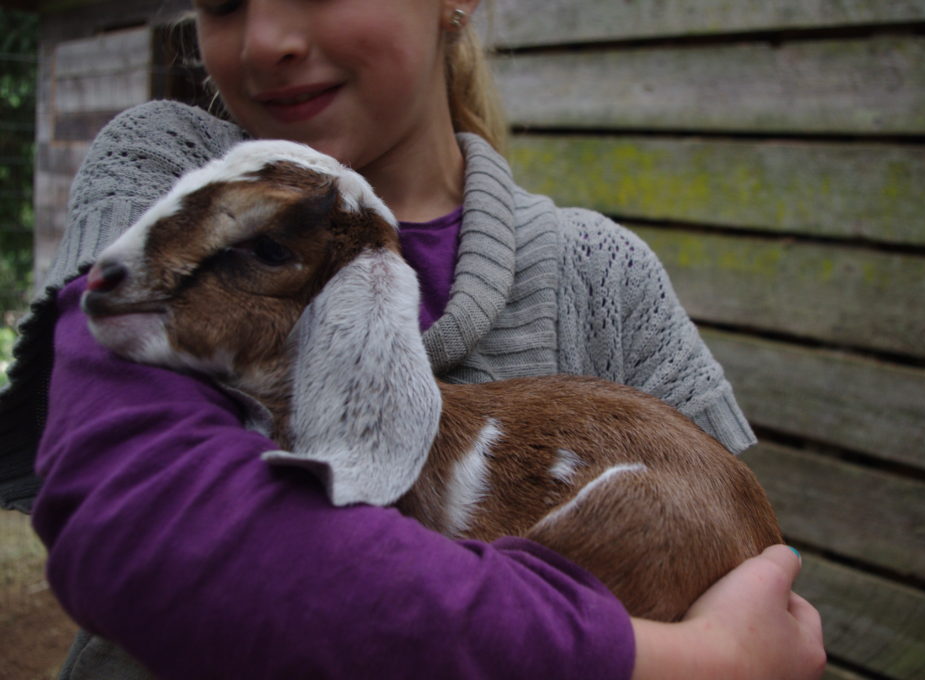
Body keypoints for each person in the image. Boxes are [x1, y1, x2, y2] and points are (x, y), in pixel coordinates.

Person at [0, 0, 826, 678]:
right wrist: (687, 662)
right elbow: (147, 524)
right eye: (221, 4)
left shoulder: (602, 275)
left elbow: (750, 586)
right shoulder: (175, 171)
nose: (265, 41)